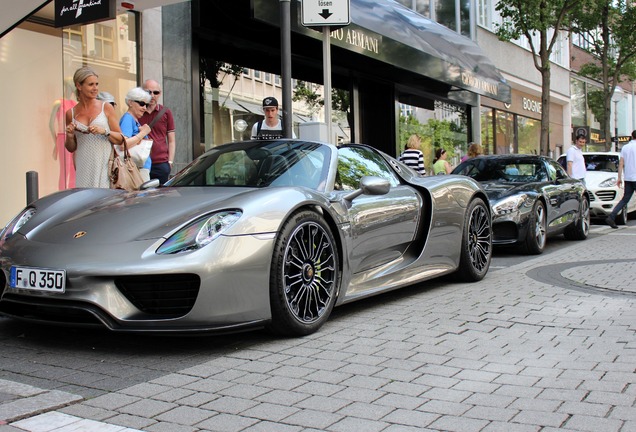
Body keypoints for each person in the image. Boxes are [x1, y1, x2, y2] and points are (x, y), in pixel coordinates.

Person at [64, 66, 123, 188]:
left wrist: (105, 131)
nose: (95, 88)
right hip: (83, 168)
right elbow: (71, 148)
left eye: (97, 84)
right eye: (91, 84)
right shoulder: (71, 113)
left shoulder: (106, 107)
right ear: (79, 86)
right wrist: (70, 136)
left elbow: (121, 139)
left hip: (105, 167)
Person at [139, 79, 175, 185]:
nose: (152, 95)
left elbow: (171, 140)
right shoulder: (137, 112)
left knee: (161, 197)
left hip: (161, 163)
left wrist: (170, 162)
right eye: (148, 92)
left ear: (160, 94)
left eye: (156, 92)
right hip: (141, 163)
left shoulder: (166, 112)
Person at [120, 87, 153, 182]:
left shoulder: (133, 119)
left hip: (138, 168)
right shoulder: (128, 118)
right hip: (134, 169)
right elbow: (123, 145)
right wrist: (143, 133)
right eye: (141, 104)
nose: (144, 108)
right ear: (130, 102)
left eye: (146, 105)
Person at [49, 77, 77, 189]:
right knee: (64, 169)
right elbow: (51, 124)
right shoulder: (58, 103)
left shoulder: (74, 103)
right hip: (62, 137)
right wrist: (55, 141)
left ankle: (72, 192)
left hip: (73, 137)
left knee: (73, 168)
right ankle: (62, 193)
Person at [606, 130, 636, 229]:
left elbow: (621, 164)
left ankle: (611, 216)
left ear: (632, 136)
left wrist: (619, 177)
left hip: (628, 178)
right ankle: (611, 217)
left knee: (625, 199)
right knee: (625, 199)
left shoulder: (625, 148)